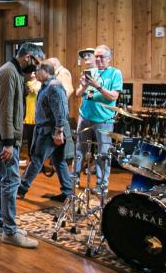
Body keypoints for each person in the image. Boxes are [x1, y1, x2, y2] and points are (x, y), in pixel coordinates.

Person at [0, 42, 45, 248]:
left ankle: (0, 224)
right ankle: (10, 231)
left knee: (3, 178)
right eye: (36, 63)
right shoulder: (8, 73)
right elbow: (5, 110)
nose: (36, 68)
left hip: (2, 134)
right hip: (1, 136)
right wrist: (8, 143)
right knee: (11, 180)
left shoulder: (14, 72)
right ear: (28, 57)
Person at [18, 62, 74, 202]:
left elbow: (61, 111)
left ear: (45, 71)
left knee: (37, 159)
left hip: (51, 131)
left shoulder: (54, 87)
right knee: (58, 161)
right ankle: (67, 192)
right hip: (47, 130)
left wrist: (59, 132)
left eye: (37, 70)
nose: (35, 73)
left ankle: (21, 187)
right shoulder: (46, 86)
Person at [73, 45, 122, 190]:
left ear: (109, 58)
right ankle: (74, 179)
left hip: (104, 120)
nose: (98, 59)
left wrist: (98, 86)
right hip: (85, 117)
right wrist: (84, 86)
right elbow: (78, 94)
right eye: (97, 56)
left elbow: (113, 96)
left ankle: (101, 185)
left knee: (103, 154)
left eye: (102, 56)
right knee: (79, 150)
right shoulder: (90, 72)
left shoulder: (115, 73)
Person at [21, 75, 41, 163]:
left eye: (35, 71)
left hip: (37, 116)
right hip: (29, 116)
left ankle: (37, 158)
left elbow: (37, 91)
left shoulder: (40, 84)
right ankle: (31, 156)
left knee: (38, 139)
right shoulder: (28, 84)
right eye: (32, 71)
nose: (33, 73)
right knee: (30, 138)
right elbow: (28, 90)